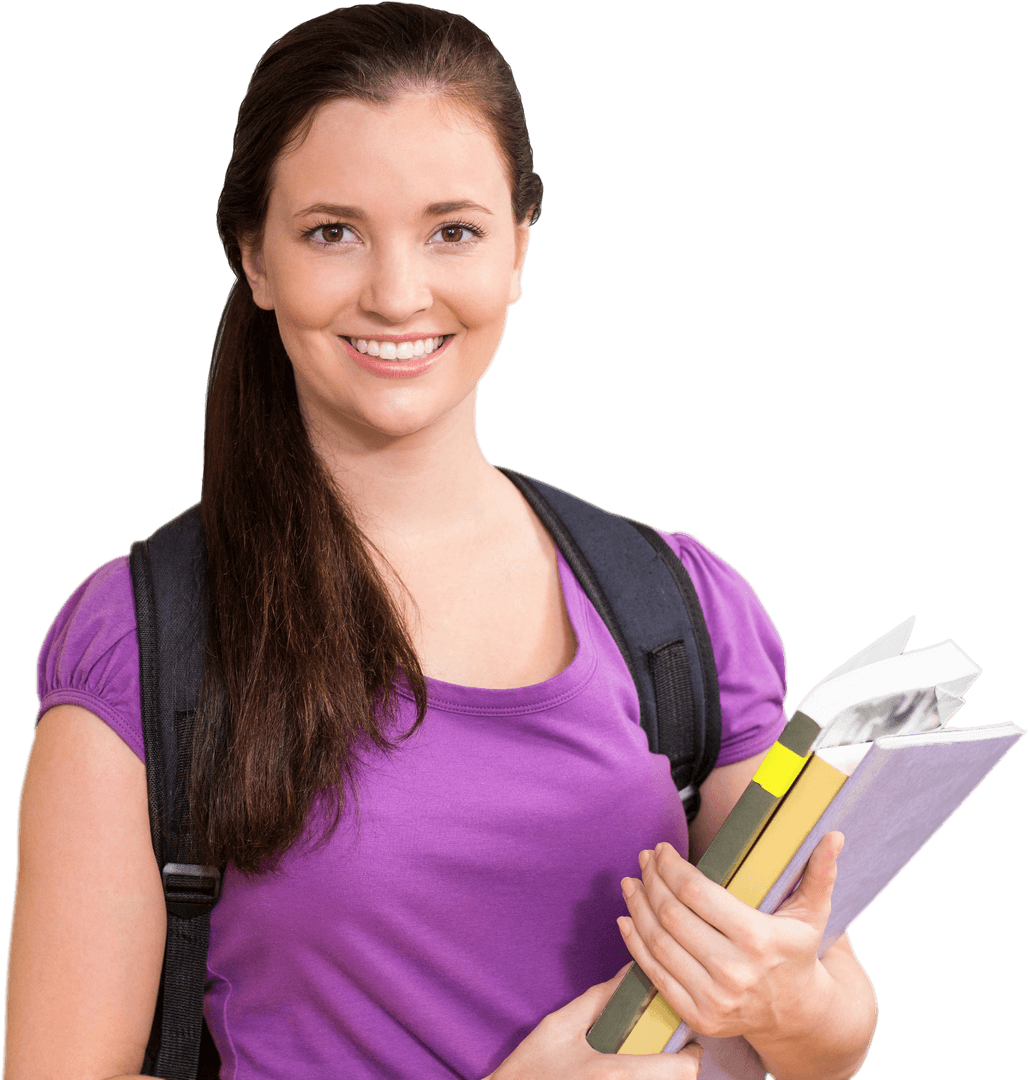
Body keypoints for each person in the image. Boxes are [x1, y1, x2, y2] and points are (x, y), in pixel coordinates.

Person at [4, 4, 878, 1078]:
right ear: (254, 258)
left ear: (520, 246)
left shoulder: (678, 608)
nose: (398, 292)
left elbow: (829, 1032)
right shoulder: (146, 642)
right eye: (333, 232)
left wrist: (789, 998)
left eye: (452, 230)